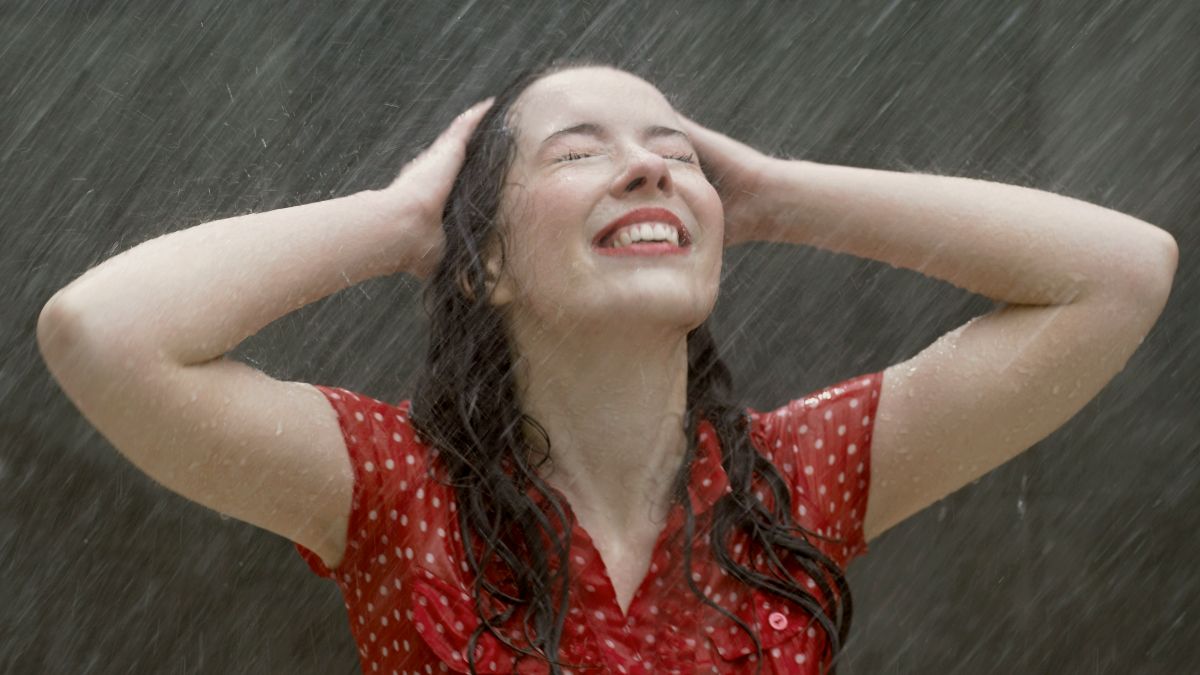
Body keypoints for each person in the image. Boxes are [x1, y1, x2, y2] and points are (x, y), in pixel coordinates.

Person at [36, 57, 1177, 675]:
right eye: (581, 152)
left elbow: (1121, 273)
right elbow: (101, 331)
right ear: (482, 261)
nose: (649, 169)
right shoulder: (394, 489)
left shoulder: (795, 484)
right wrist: (397, 221)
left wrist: (779, 191)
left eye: (677, 152)